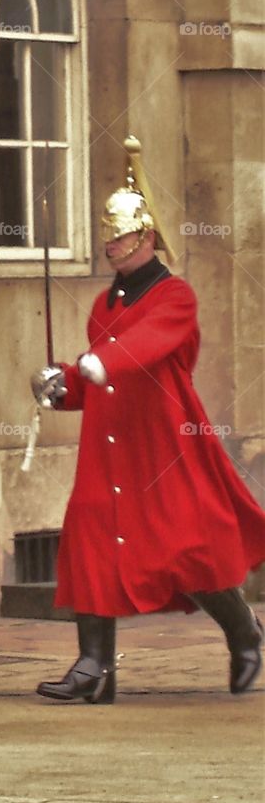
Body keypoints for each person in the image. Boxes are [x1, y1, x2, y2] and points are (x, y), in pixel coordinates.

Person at [31, 138, 265, 703]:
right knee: (91, 538)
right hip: (107, 446)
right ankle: (93, 666)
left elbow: (148, 345)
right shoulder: (104, 304)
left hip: (162, 444)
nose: (110, 244)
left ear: (148, 236)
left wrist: (100, 362)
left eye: (121, 236)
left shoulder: (175, 296)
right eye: (107, 236)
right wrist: (61, 384)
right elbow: (99, 379)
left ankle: (244, 634)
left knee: (187, 551)